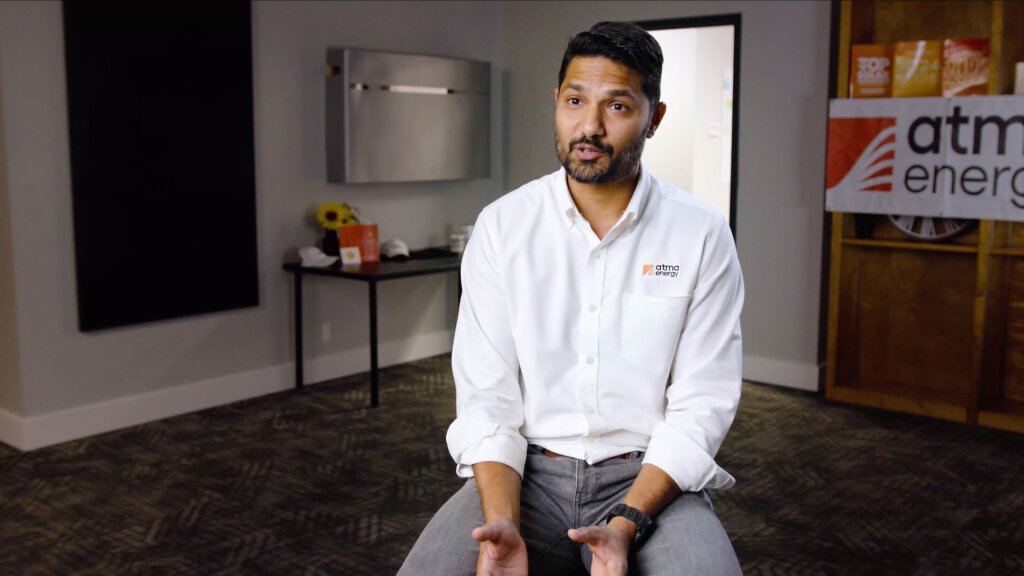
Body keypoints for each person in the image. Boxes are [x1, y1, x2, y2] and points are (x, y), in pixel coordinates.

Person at [397, 21, 744, 576]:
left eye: (618, 107)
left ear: (654, 119)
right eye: (575, 100)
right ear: (556, 101)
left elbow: (703, 403)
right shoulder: (503, 226)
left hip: (648, 477)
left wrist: (627, 521)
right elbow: (487, 397)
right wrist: (503, 519)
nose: (590, 126)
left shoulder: (700, 234)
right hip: (524, 475)